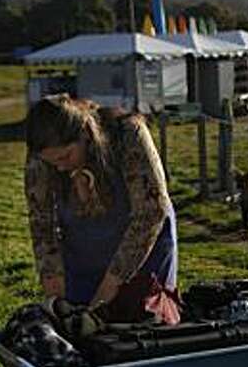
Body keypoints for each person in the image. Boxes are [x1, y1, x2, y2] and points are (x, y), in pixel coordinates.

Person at [24, 94, 180, 325]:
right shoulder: (41, 160)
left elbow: (150, 212)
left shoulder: (128, 135)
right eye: (51, 162)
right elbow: (42, 226)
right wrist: (56, 301)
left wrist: (105, 297)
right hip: (83, 256)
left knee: (138, 323)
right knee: (83, 331)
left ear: (85, 134)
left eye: (66, 156)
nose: (59, 166)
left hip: (142, 253)